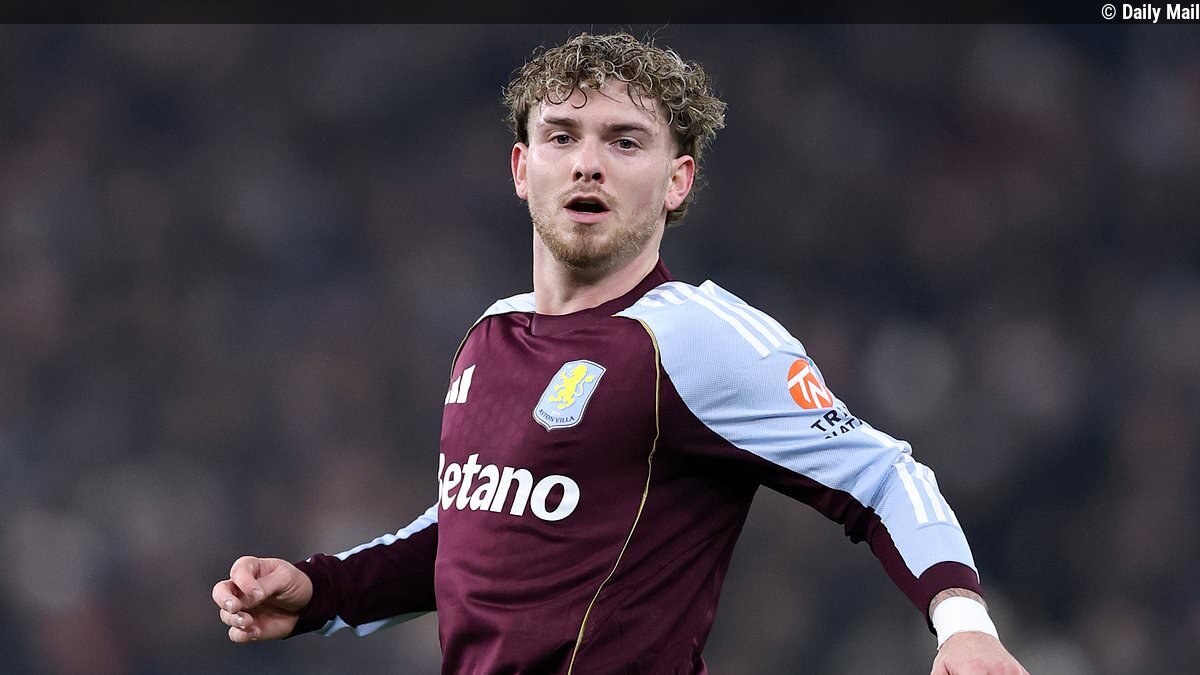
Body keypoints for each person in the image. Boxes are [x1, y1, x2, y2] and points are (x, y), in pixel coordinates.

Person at [212, 31, 1029, 674]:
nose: (588, 163)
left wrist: (962, 622)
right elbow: (473, 532)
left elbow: (882, 476)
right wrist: (322, 590)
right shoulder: (490, 335)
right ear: (522, 168)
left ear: (678, 181)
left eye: (625, 142)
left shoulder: (698, 337)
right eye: (561, 136)